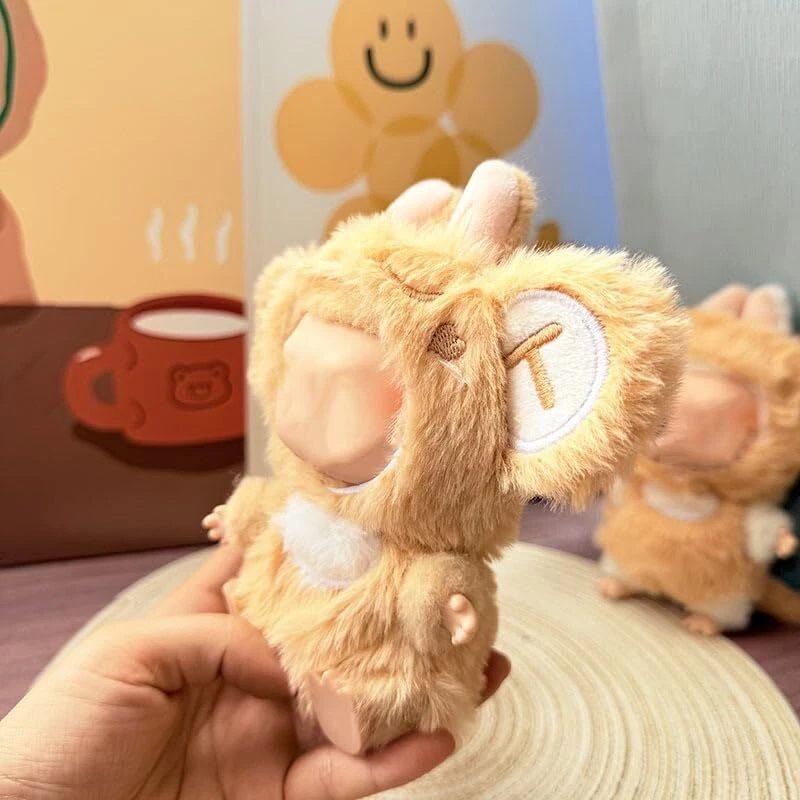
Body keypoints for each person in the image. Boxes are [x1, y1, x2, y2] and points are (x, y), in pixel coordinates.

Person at [0, 545, 510, 799]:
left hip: (379, 649)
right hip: (291, 649)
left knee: (398, 675)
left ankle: (363, 711)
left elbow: (444, 570)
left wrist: (445, 600)